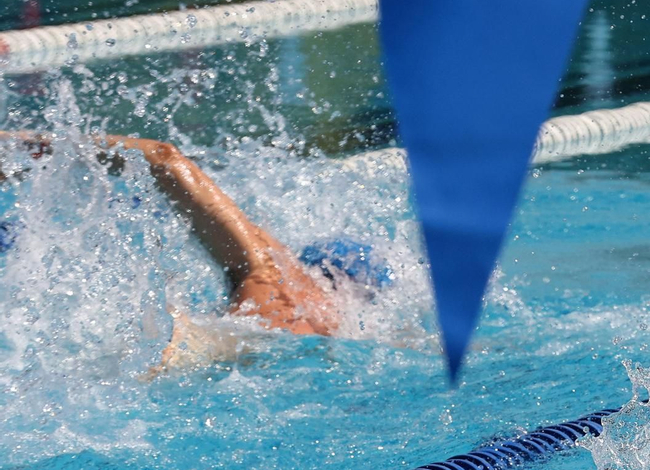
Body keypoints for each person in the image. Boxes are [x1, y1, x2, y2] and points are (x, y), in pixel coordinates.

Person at [0, 131, 389, 351]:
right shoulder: (351, 336)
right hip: (211, 366)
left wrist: (25, 145)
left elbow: (163, 157)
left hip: (178, 350)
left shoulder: (268, 277)